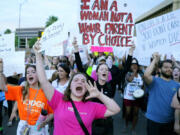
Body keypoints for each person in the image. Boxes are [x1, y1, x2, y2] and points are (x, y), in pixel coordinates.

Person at [34, 39, 120, 135]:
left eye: (83, 81)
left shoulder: (92, 106)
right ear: (70, 86)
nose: (79, 82)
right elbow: (43, 81)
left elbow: (115, 109)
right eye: (76, 80)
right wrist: (38, 55)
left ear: (86, 87)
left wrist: (99, 95)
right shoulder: (58, 100)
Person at [0, 59, 53, 135]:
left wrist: (45, 122)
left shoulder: (46, 92)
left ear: (39, 75)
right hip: (23, 126)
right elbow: (2, 87)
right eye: (27, 73)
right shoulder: (21, 89)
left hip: (38, 128)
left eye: (33, 72)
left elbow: (52, 113)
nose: (30, 74)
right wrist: (1, 71)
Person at [144, 52, 180, 135]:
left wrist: (176, 65)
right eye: (166, 67)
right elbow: (146, 75)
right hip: (153, 121)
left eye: (171, 67)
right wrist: (155, 60)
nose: (169, 69)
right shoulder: (154, 80)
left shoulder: (177, 85)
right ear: (159, 69)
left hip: (169, 122)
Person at [123, 58, 144, 135]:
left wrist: (142, 92)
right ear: (130, 66)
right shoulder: (128, 73)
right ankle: (126, 125)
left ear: (138, 66)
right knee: (128, 113)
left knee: (136, 113)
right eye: (132, 64)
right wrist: (134, 73)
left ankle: (133, 128)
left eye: (135, 65)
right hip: (128, 97)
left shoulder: (141, 75)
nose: (134, 66)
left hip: (137, 98)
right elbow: (130, 80)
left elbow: (143, 85)